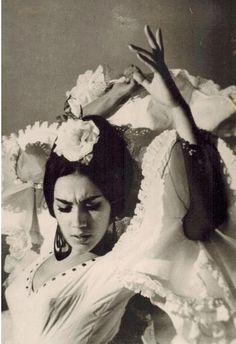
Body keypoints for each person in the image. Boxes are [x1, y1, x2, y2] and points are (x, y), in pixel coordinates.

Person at [3, 26, 236, 344]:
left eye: (92, 205)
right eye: (64, 207)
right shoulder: (42, 247)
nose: (78, 223)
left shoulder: (115, 267)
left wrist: (177, 108)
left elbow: (203, 221)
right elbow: (32, 150)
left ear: (112, 200)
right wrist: (113, 97)